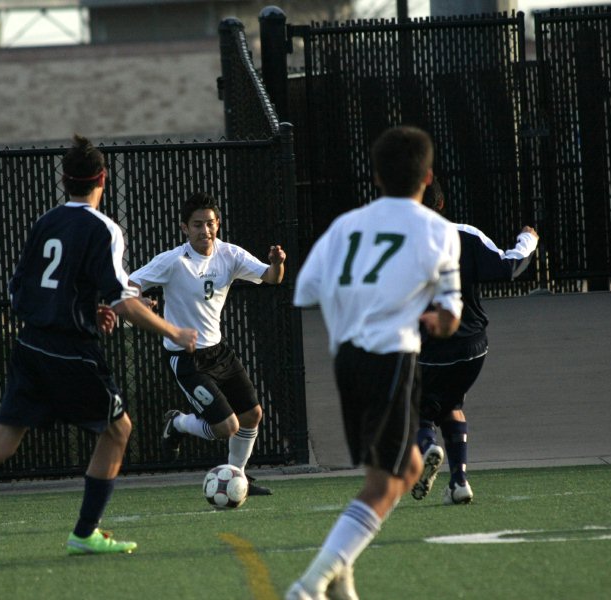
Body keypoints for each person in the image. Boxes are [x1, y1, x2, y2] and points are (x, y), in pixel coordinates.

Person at [0, 134, 198, 567]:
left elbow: (21, 292)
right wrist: (174, 330)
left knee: (2, 440)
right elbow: (125, 301)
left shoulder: (45, 222)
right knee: (118, 430)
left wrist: (88, 309)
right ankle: (85, 533)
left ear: (65, 179)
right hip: (71, 352)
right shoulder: (103, 228)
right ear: (102, 179)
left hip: (30, 344)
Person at [287, 125, 463, 600]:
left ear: (377, 177)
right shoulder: (441, 231)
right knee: (384, 484)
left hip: (347, 360)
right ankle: (308, 586)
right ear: (427, 178)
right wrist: (427, 316)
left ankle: (342, 569)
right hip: (391, 360)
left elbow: (306, 291)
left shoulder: (346, 226)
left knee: (405, 468)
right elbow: (449, 319)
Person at [128, 191, 285, 496]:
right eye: (197, 225)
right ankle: (179, 424)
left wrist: (277, 263)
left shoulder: (230, 254)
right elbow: (131, 283)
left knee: (252, 414)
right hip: (186, 358)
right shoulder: (173, 261)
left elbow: (272, 278)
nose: (205, 231)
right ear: (184, 228)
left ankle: (237, 477)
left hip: (219, 351)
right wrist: (139, 301)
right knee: (227, 427)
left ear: (218, 224)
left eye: (210, 223)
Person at [411, 178, 538, 505]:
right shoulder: (466, 234)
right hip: (472, 347)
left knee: (416, 410)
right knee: (452, 405)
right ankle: (459, 482)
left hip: (429, 348)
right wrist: (528, 238)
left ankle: (428, 447)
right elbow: (508, 267)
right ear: (440, 204)